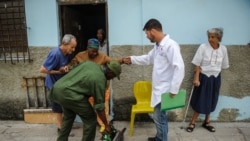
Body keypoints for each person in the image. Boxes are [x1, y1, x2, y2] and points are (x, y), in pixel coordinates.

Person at [123, 19, 185, 141]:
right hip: (158, 89)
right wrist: (132, 59)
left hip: (165, 90)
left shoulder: (170, 45)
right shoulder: (158, 46)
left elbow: (179, 67)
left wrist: (174, 89)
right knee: (161, 117)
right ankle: (160, 137)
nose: (146, 36)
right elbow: (147, 58)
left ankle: (161, 139)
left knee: (158, 118)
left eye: (147, 33)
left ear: (153, 31)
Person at [49, 60, 121, 141]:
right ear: (110, 72)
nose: (112, 78)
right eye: (114, 76)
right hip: (70, 94)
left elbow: (72, 68)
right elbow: (99, 107)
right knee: (91, 119)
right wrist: (106, 125)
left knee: (68, 117)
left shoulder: (90, 64)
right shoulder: (100, 79)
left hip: (58, 89)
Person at [66, 38, 123, 132]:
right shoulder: (80, 56)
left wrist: (123, 60)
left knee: (103, 107)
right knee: (89, 108)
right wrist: (66, 68)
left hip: (101, 87)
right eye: (93, 51)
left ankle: (104, 125)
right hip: (87, 89)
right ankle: (92, 123)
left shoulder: (102, 56)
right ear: (88, 49)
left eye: (96, 51)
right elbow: (71, 66)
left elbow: (113, 62)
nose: (95, 53)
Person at [186, 28, 229, 133]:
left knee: (212, 99)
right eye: (209, 36)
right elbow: (197, 64)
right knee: (201, 99)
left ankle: (207, 121)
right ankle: (192, 122)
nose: (210, 39)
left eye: (213, 37)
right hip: (204, 77)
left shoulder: (223, 49)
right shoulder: (203, 47)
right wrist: (196, 77)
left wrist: (215, 71)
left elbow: (224, 65)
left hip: (215, 78)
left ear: (219, 38)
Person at [39, 34, 77, 134]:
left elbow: (66, 65)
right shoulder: (55, 53)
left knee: (65, 105)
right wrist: (58, 72)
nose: (73, 50)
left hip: (62, 84)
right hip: (53, 85)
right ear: (65, 44)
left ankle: (65, 126)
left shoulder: (67, 54)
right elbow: (42, 69)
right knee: (58, 107)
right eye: (72, 47)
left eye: (74, 47)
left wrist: (66, 68)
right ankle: (61, 129)